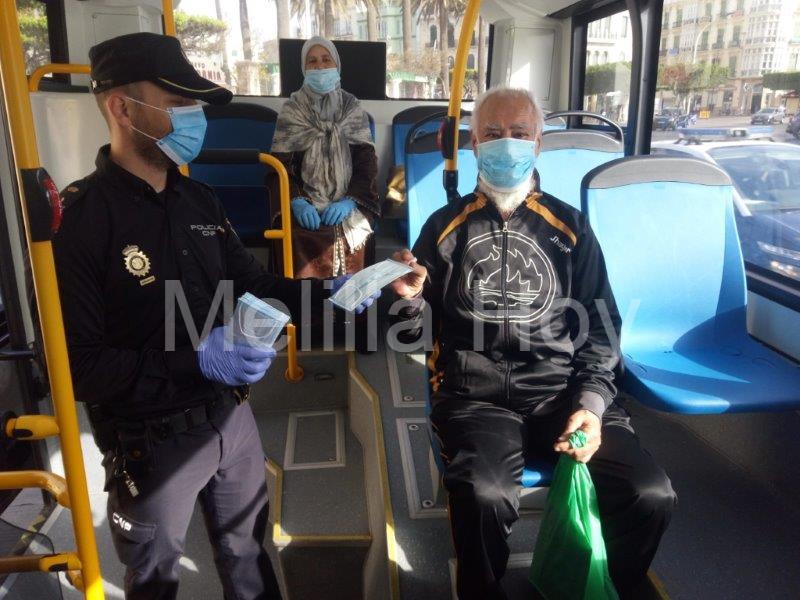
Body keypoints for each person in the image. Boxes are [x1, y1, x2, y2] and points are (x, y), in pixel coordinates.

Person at [53, 32, 376, 600]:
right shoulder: (81, 222)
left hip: (232, 420)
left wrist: (336, 290)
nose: (194, 117)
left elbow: (254, 287)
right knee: (155, 580)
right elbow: (82, 367)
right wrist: (195, 360)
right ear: (122, 108)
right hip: (151, 439)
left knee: (251, 557)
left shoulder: (199, 202)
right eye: (179, 103)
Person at [390, 87, 676, 600]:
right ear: (474, 143)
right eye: (493, 134)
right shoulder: (443, 229)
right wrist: (408, 301)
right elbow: (407, 334)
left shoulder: (570, 228)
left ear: (538, 144)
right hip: (476, 399)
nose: (507, 145)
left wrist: (590, 404)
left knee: (648, 493)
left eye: (520, 134)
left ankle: (614, 584)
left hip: (563, 392)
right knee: (483, 495)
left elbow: (601, 325)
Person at [271, 36, 379, 279]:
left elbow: (366, 164)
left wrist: (351, 201)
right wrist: (297, 200)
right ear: (304, 68)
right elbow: (279, 168)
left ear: (336, 65)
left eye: (325, 59)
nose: (319, 66)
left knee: (359, 232)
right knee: (298, 233)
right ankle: (304, 313)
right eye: (312, 61)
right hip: (306, 201)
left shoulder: (352, 107)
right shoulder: (292, 110)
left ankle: (352, 314)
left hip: (348, 199)